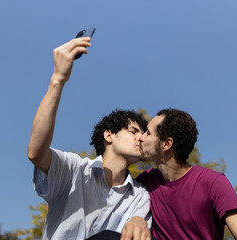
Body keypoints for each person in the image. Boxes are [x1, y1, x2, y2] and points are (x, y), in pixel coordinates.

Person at [27, 37, 151, 240]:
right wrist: (58, 78)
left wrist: (138, 221)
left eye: (143, 135)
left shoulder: (140, 197)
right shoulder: (74, 169)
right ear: (109, 135)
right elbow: (35, 152)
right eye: (133, 131)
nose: (140, 139)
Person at [136, 108, 237, 240]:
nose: (140, 138)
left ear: (166, 144)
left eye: (148, 133)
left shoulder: (213, 182)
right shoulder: (144, 182)